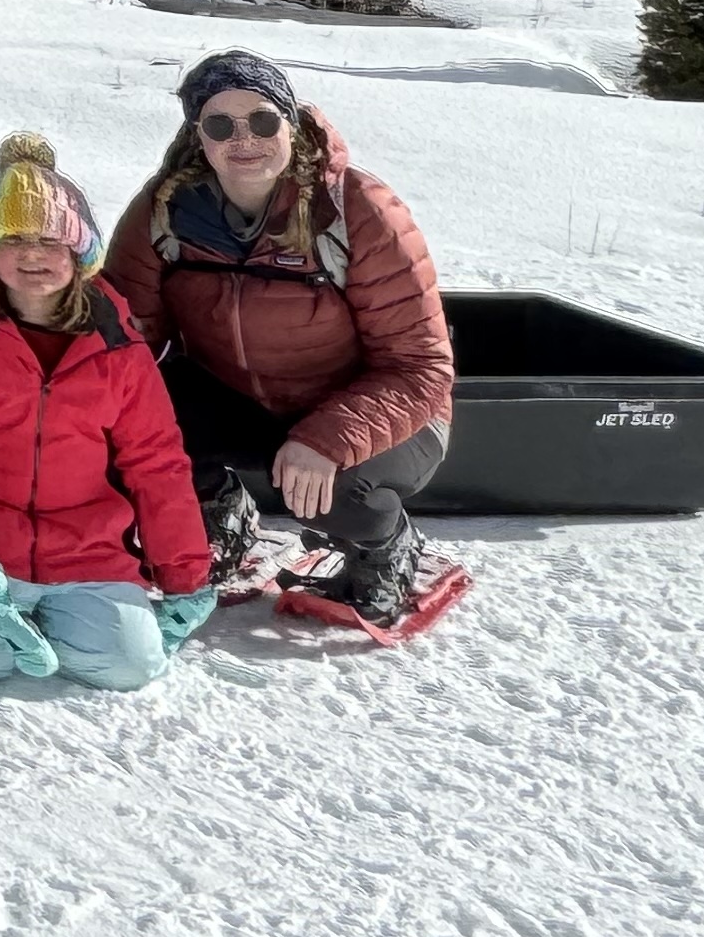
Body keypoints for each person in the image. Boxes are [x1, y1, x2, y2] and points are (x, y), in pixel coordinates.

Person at [105, 51, 455, 629]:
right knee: (127, 429)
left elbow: (420, 367)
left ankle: (386, 545)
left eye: (263, 121)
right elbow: (128, 339)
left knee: (333, 493)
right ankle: (218, 512)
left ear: (290, 123)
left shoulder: (356, 210)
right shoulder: (165, 212)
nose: (244, 139)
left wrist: (326, 440)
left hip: (383, 416)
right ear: (198, 135)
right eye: (221, 124)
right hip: (245, 402)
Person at [0, 137, 215, 691]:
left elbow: (156, 462)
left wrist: (185, 574)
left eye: (50, 239)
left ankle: (51, 613)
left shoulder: (118, 345)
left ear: (81, 254)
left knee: (131, 666)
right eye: (14, 238)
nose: (33, 254)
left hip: (86, 550)